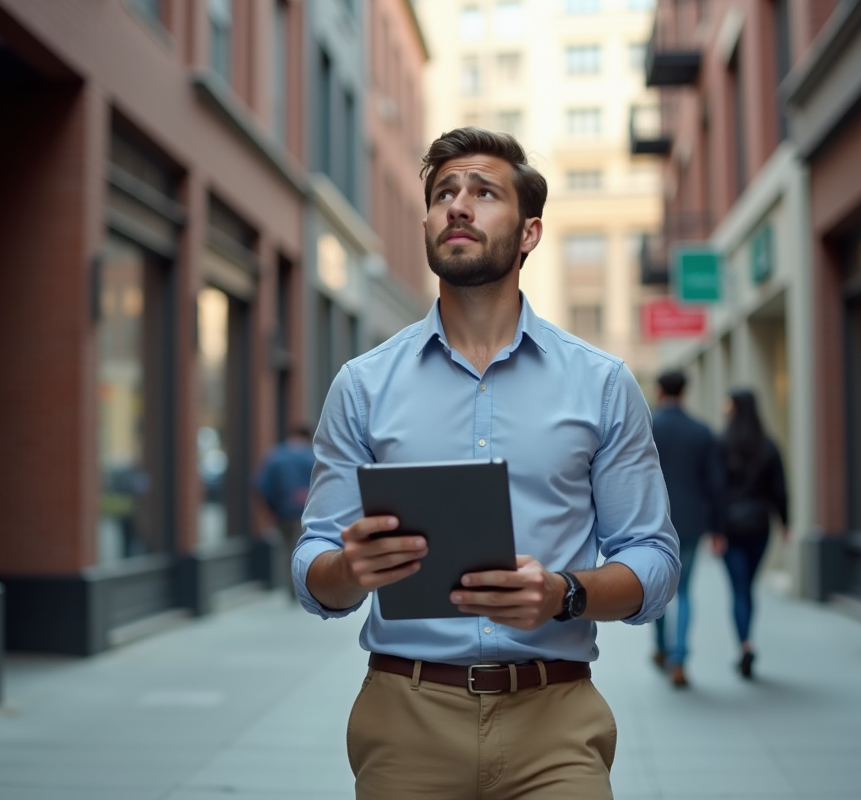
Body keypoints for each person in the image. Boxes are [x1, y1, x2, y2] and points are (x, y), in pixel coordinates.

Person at [293, 127, 680, 799]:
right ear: (427, 223)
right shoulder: (363, 385)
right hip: (405, 717)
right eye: (444, 193)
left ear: (529, 233)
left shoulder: (602, 383)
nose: (458, 206)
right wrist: (348, 570)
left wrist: (566, 593)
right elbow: (312, 569)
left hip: (555, 722)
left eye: (483, 192)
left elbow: (654, 560)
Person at [650, 370, 723, 688]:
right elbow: (716, 483)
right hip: (693, 522)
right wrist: (718, 528)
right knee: (685, 591)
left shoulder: (648, 426)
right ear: (686, 392)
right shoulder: (702, 431)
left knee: (659, 588)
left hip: (655, 521)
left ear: (658, 391)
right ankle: (679, 657)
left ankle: (662, 650)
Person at [711, 389, 789, 680]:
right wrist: (786, 522)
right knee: (748, 588)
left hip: (730, 529)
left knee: (738, 589)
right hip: (759, 526)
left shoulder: (722, 444)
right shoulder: (768, 446)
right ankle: (747, 642)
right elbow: (780, 488)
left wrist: (716, 529)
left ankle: (745, 645)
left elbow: (716, 490)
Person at [255, 422, 316, 598]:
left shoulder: (276, 456)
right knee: (305, 547)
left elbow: (262, 484)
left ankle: (292, 588)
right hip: (307, 511)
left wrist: (273, 506)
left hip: (284, 511)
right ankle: (302, 588)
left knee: (287, 549)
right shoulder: (312, 457)